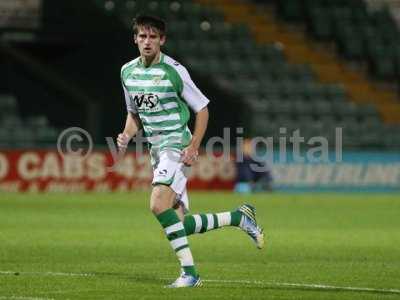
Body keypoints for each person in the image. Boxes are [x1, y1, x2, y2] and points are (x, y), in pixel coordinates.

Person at [117, 15, 264, 288]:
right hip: (156, 149)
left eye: (153, 37)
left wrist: (193, 146)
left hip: (176, 145)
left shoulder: (175, 70)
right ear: (135, 39)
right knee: (179, 224)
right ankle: (238, 217)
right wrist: (127, 134)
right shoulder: (128, 72)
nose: (147, 41)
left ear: (162, 40)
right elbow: (134, 114)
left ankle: (191, 274)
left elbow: (202, 109)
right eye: (142, 36)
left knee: (157, 204)